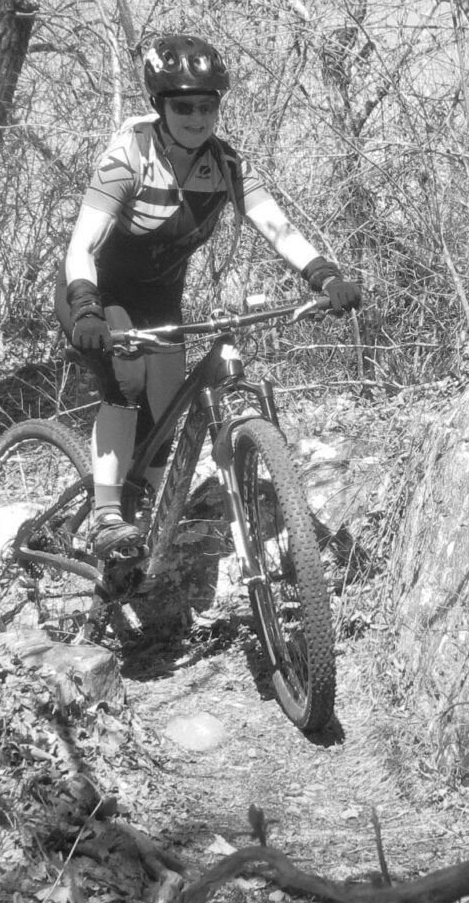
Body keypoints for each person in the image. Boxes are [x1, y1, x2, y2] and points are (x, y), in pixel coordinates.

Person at [61, 33, 362, 557]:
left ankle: (148, 510)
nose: (196, 116)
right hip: (95, 292)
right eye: (183, 106)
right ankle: (107, 517)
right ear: (160, 105)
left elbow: (276, 225)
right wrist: (87, 308)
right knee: (127, 382)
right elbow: (81, 244)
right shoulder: (128, 157)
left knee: (167, 410)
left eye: (207, 106)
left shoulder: (223, 164)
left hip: (160, 300)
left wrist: (325, 276)